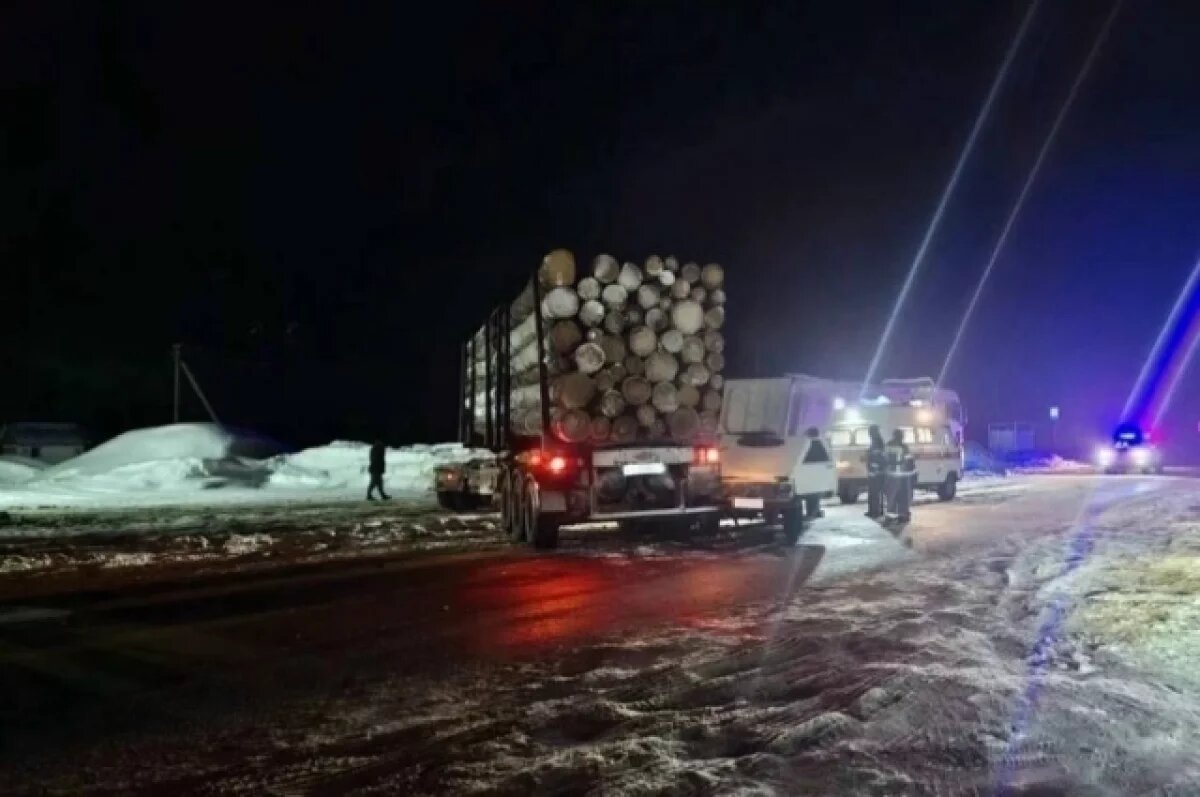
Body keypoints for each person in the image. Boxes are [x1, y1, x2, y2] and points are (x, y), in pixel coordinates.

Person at [801, 427, 829, 519]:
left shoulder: (808, 445)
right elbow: (825, 458)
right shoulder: (820, 444)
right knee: (815, 495)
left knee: (811, 495)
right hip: (818, 473)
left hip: (809, 473)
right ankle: (814, 512)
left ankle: (812, 513)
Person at [884, 429, 912, 522]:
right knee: (903, 496)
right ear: (900, 436)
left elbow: (884, 459)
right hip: (902, 475)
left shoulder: (888, 445)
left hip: (891, 475)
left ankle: (890, 516)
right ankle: (903, 515)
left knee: (891, 496)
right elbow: (909, 461)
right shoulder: (904, 447)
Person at [865, 424, 887, 519]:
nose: (869, 433)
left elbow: (877, 457)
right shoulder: (879, 441)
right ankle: (878, 510)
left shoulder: (876, 442)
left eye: (870, 431)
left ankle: (874, 511)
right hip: (879, 471)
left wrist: (873, 469)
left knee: (874, 492)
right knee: (878, 492)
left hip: (876, 472)